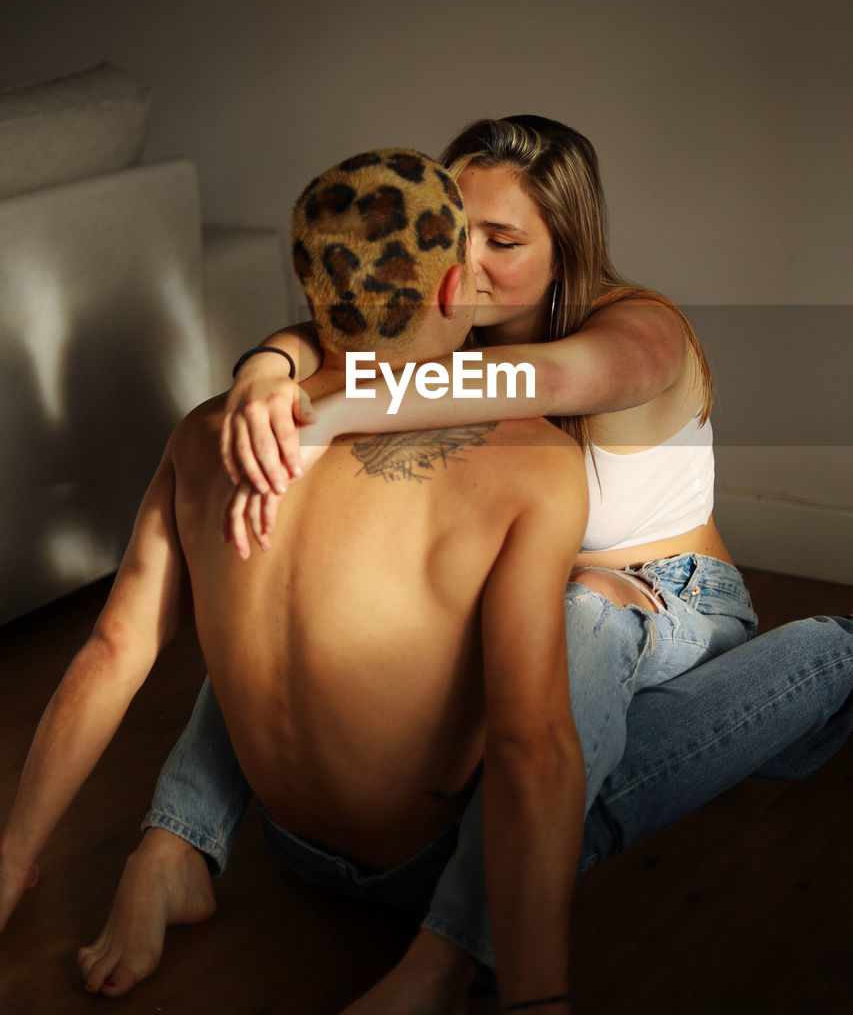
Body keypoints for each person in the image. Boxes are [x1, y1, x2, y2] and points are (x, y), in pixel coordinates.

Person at [204, 115, 853, 1007]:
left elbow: (546, 381)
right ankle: (177, 838)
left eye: (502, 241)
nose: (464, 265)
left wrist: (327, 408)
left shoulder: (642, 330)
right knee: (293, 567)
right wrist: (267, 368)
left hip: (668, 603)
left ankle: (449, 951)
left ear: (566, 248)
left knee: (583, 610)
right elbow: (325, 330)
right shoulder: (450, 329)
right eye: (450, 234)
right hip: (518, 614)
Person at [0, 149, 598, 1011]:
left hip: (279, 840)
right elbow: (528, 748)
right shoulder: (532, 459)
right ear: (448, 290)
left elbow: (111, 649)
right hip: (426, 869)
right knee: (613, 641)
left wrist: (12, 858)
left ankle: (170, 851)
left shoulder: (208, 434)